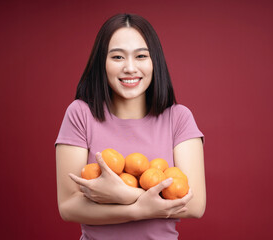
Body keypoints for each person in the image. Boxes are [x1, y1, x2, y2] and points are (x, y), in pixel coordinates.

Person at [55, 13, 206, 240]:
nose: (130, 68)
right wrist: (138, 208)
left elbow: (194, 205)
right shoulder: (80, 115)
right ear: (102, 63)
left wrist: (122, 194)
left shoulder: (179, 118)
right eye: (117, 57)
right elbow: (68, 206)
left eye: (141, 56)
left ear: (154, 61)